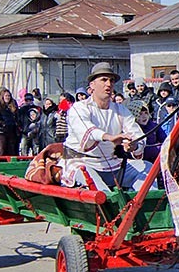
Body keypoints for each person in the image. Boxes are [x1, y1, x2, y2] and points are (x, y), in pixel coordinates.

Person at [60, 61, 154, 192]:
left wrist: (134, 145)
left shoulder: (120, 110)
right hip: (81, 162)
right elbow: (87, 130)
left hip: (110, 163)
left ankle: (146, 208)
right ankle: (116, 209)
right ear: (92, 85)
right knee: (100, 191)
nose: (108, 84)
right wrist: (110, 137)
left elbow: (137, 134)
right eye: (103, 80)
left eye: (111, 80)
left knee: (148, 169)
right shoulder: (79, 108)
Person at [0, 88, 20, 156]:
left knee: (12, 149)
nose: (7, 97)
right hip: (1, 131)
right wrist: (1, 124)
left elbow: (17, 116)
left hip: (12, 130)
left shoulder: (13, 104)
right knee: (2, 148)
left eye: (9, 96)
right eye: (6, 96)